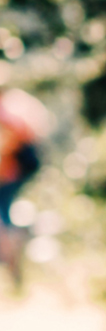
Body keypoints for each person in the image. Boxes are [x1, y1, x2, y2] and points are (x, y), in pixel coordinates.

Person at [0, 88, 48, 299]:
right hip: (17, 169)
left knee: (3, 218)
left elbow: (10, 143)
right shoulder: (15, 102)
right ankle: (13, 266)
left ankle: (12, 263)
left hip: (12, 171)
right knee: (5, 216)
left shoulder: (7, 111)